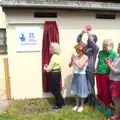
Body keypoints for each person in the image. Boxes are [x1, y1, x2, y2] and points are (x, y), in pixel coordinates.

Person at [77, 25, 99, 109]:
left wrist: (88, 31)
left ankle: (92, 104)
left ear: (93, 41)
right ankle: (85, 100)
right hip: (83, 69)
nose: (88, 41)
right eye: (88, 40)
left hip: (90, 70)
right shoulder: (86, 47)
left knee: (90, 87)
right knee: (85, 85)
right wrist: (82, 33)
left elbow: (91, 41)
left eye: (90, 40)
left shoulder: (95, 48)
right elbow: (78, 40)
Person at [96, 39, 117, 115]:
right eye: (103, 46)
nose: (104, 47)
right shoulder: (101, 52)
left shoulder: (114, 54)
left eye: (105, 46)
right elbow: (99, 61)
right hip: (98, 73)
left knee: (106, 92)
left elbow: (115, 66)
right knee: (100, 90)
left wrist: (109, 63)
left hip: (106, 75)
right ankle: (102, 104)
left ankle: (108, 107)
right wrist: (96, 69)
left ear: (111, 46)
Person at [44, 42, 65, 109]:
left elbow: (49, 69)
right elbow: (54, 66)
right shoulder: (57, 56)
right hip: (58, 73)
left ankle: (59, 105)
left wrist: (45, 68)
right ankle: (62, 102)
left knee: (54, 90)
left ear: (53, 49)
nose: (49, 49)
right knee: (56, 89)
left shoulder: (53, 57)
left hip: (54, 74)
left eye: (50, 48)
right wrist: (49, 66)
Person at [69, 43, 88, 112]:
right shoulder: (76, 57)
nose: (76, 51)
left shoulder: (85, 57)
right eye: (76, 50)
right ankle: (77, 105)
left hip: (82, 75)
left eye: (77, 50)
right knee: (76, 90)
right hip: (76, 74)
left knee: (81, 90)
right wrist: (72, 60)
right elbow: (69, 65)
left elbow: (80, 66)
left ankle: (81, 106)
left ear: (81, 50)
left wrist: (74, 60)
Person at [105, 43, 120, 120]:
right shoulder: (117, 57)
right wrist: (110, 62)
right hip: (113, 80)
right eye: (118, 47)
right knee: (115, 98)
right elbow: (114, 66)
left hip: (117, 81)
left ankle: (117, 116)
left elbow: (117, 71)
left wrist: (108, 64)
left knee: (116, 99)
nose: (118, 48)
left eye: (119, 47)